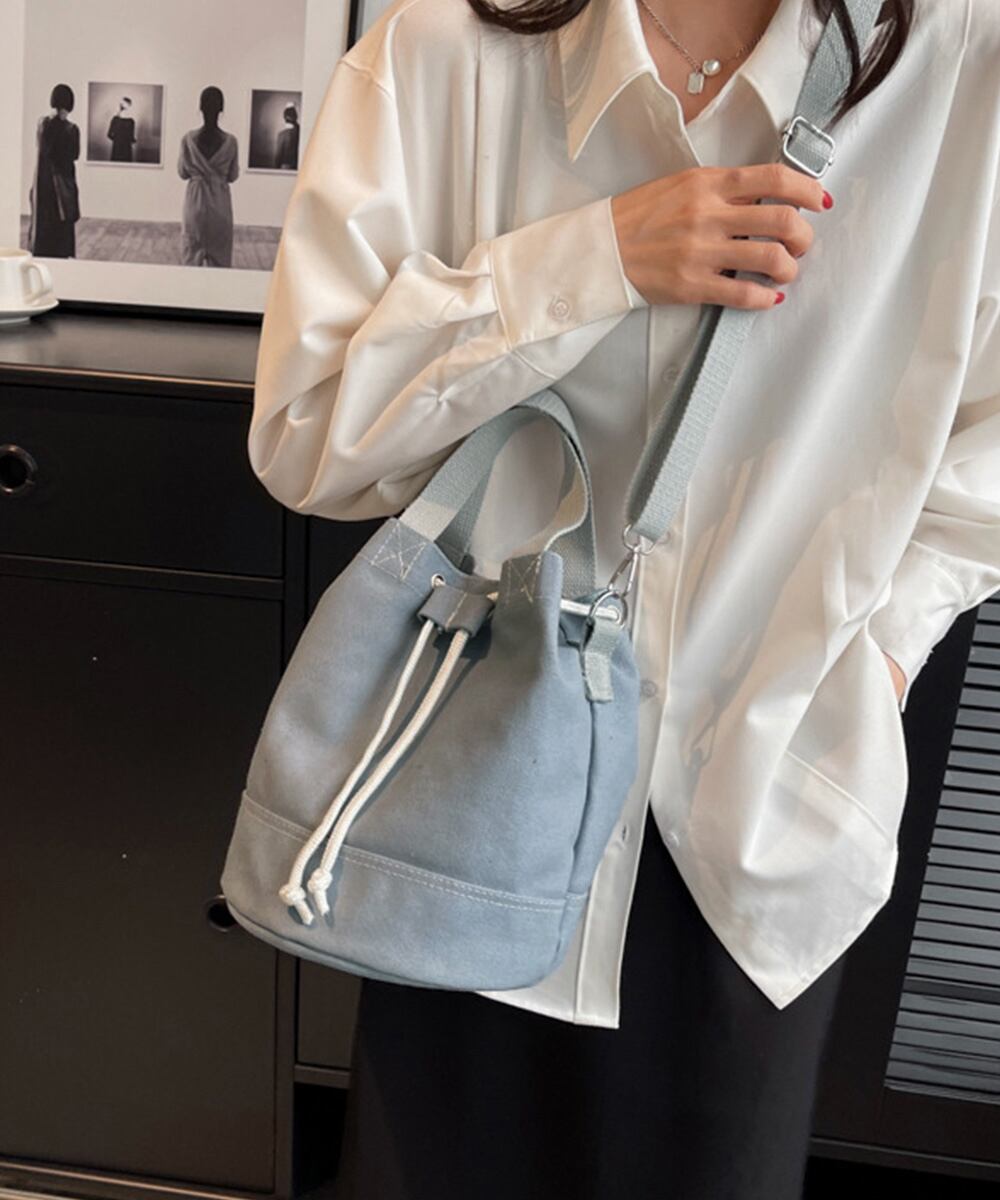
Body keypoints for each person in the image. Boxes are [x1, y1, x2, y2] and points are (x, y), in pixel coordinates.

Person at [246, 0, 1000, 1195]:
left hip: (749, 800)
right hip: (463, 784)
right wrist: (591, 259)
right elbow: (307, 437)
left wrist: (879, 657)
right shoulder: (439, 57)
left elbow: (985, 460)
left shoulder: (963, 67)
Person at [177, 86, 239, 267]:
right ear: (221, 109)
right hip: (220, 207)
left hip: (195, 205)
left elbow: (182, 173)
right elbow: (233, 175)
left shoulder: (188, 139)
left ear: (200, 108)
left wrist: (198, 172)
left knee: (190, 260)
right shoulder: (231, 142)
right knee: (220, 264)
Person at [27, 83, 80, 259]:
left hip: (43, 185)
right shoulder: (71, 129)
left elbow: (44, 151)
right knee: (62, 229)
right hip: (62, 187)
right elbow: (74, 154)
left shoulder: (42, 124)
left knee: (43, 228)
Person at [108, 97, 137, 163]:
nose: (122, 105)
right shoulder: (117, 119)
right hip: (120, 147)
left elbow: (110, 134)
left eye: (125, 103)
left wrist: (118, 138)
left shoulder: (130, 121)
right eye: (122, 103)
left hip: (122, 147)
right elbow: (110, 134)